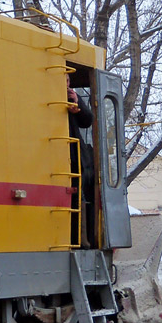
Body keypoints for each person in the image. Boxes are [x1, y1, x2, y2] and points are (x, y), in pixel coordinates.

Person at [66, 75, 95, 246]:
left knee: (82, 195)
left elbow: (87, 120)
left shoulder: (72, 96)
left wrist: (77, 102)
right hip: (65, 153)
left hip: (77, 157)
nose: (67, 85)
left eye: (68, 81)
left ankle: (83, 238)